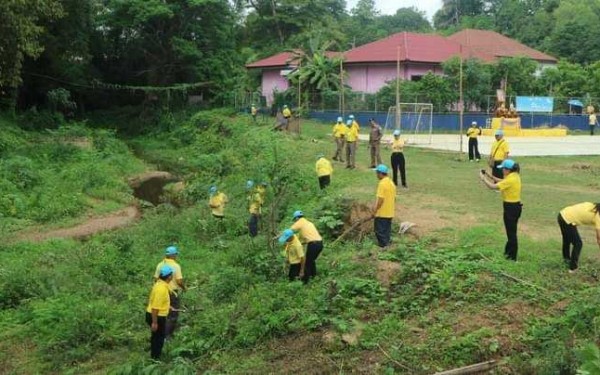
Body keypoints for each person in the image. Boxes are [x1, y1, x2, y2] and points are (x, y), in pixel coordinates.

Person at [479, 159, 522, 261]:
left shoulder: (510, 179)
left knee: (511, 234)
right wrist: (489, 176)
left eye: (503, 169)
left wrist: (483, 178)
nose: (502, 170)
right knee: (511, 232)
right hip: (515, 207)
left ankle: (512, 258)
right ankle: (507, 253)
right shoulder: (514, 176)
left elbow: (493, 187)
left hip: (511, 208)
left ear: (508, 170)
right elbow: (502, 181)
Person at [153, 246, 186, 338]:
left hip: (161, 292)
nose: (176, 256)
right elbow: (179, 282)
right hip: (172, 293)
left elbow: (155, 279)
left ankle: (159, 333)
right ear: (173, 255)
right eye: (175, 254)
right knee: (172, 315)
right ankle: (166, 336)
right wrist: (184, 288)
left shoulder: (160, 264)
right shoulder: (176, 266)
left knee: (162, 313)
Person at [557, 202, 600, 273]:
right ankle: (573, 268)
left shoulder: (592, 206)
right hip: (567, 219)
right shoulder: (598, 217)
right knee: (578, 243)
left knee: (567, 240)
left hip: (562, 214)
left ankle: (566, 260)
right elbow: (599, 238)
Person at [146, 264, 173, 360]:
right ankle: (155, 359)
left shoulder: (160, 284)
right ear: (169, 276)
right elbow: (155, 307)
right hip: (157, 316)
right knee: (159, 338)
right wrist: (154, 322)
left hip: (156, 314)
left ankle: (154, 355)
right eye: (172, 274)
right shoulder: (161, 289)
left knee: (156, 336)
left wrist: (168, 307)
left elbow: (159, 302)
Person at [290, 211, 323, 283]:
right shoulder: (309, 223)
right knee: (311, 260)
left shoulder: (300, 222)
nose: (295, 221)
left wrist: (279, 236)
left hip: (313, 244)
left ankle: (305, 282)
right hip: (320, 244)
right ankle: (313, 276)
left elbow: (289, 231)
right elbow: (307, 238)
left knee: (307, 263)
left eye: (295, 219)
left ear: (297, 218)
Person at [372, 164, 396, 248]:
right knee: (386, 230)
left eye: (377, 173)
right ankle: (387, 244)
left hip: (382, 213)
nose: (376, 175)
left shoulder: (382, 184)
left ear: (380, 173)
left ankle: (383, 246)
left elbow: (380, 200)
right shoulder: (391, 183)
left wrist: (375, 210)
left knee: (379, 231)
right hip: (390, 212)